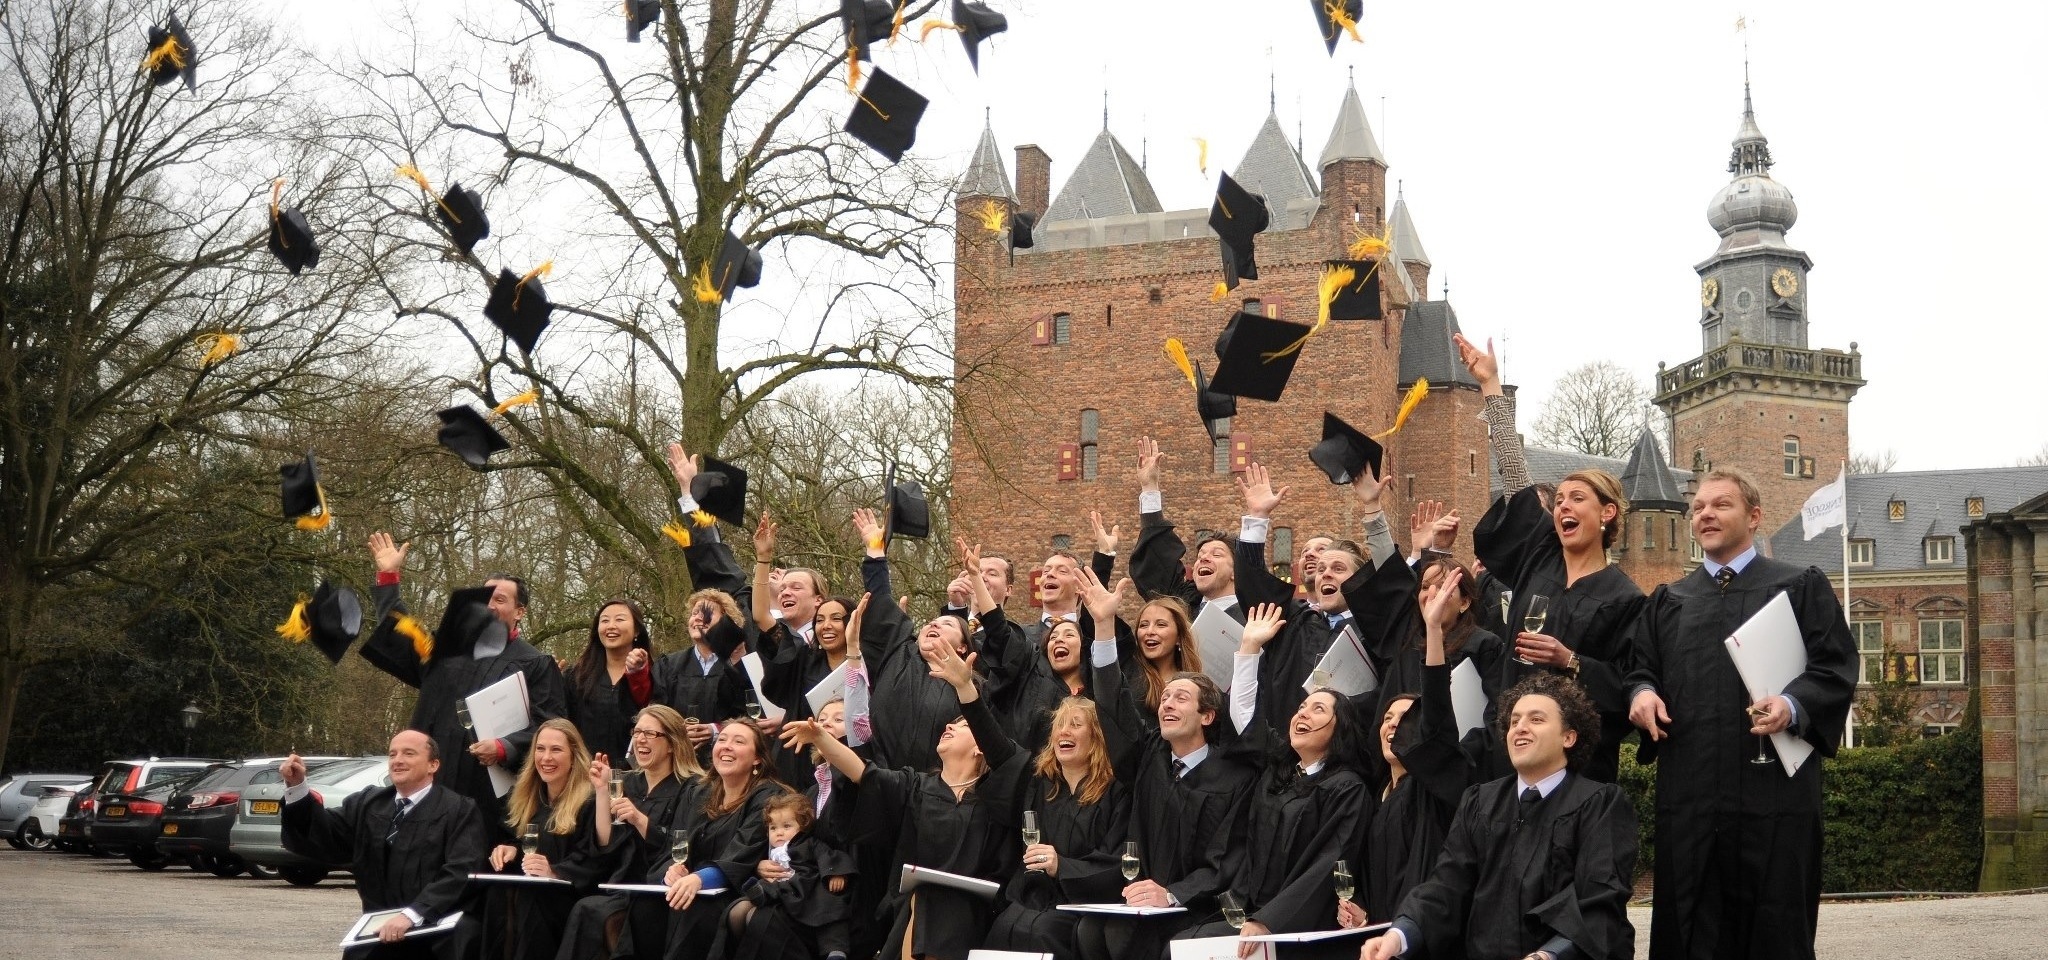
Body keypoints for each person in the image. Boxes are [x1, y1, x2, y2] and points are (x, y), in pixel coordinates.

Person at [1624, 469, 1858, 960]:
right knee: (1690, 923)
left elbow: (1835, 667)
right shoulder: (1670, 601)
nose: (1705, 513)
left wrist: (1793, 704)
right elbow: (1640, 667)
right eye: (1698, 507)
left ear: (1754, 517)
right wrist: (1642, 694)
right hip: (1690, 796)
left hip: (1775, 795)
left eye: (1721, 505)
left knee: (1774, 925)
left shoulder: (1798, 586)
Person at [1457, 333, 1647, 784]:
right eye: (1558, 499)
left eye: (1576, 498)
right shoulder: (1541, 557)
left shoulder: (1625, 598)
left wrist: (1571, 661)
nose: (1562, 507)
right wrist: (1492, 389)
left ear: (1607, 513)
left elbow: (1628, 686)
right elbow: (1517, 477)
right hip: (1511, 746)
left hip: (1578, 766)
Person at [782, 629, 1030, 960]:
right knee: (927, 898)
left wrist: (963, 686)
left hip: (981, 911)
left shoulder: (999, 793)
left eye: (964, 726)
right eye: (951, 723)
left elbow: (997, 745)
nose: (951, 726)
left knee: (942, 901)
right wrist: (822, 740)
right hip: (913, 906)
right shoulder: (916, 786)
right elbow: (862, 772)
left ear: (982, 748)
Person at [1359, 673, 1638, 960]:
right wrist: (1400, 934)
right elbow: (1447, 885)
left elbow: (1600, 900)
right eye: (1514, 721)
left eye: (1536, 720)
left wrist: (1548, 955)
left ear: (1569, 736)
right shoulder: (1480, 802)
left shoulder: (1600, 804)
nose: (1520, 728)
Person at [1175, 603, 1372, 948]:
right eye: (1301, 708)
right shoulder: (1280, 776)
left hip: (1300, 925)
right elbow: (1247, 721)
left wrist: (1270, 921)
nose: (1303, 714)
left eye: (1318, 709)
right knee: (1181, 945)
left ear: (1341, 728)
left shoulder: (1346, 789)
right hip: (1252, 913)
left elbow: (1326, 867)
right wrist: (1248, 649)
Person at [359, 533, 569, 846]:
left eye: (500, 599)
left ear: (520, 611)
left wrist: (503, 747)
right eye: (484, 598)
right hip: (430, 786)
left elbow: (550, 726)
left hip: (487, 798)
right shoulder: (443, 649)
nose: (489, 606)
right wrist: (389, 578)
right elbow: (400, 635)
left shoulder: (534, 664)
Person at [1077, 641, 1259, 960]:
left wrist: (1173, 894)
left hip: (1202, 908)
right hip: (1146, 905)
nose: (1167, 705)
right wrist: (1104, 629)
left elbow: (1228, 860)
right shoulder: (1150, 758)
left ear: (1207, 716)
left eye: (1181, 698)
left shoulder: (1235, 778)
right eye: (1164, 698)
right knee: (1089, 929)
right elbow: (1115, 707)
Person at [1346, 568, 1482, 930]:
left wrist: (1434, 631)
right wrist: (1363, 911)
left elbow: (1437, 717)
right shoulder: (1376, 797)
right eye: (1387, 718)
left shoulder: (1435, 788)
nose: (1392, 724)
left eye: (1404, 719)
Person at [280, 731, 488, 958]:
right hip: (378, 928)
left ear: (433, 765)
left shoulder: (458, 810)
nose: (398, 760)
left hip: (436, 930)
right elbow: (325, 833)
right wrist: (298, 786)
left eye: (409, 753)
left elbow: (462, 869)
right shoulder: (368, 803)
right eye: (392, 754)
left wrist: (413, 914)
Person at [1232, 461, 1399, 736]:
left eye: (1338, 569)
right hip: (1286, 753)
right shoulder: (1296, 623)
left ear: (1361, 580)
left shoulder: (1376, 630)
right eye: (1321, 570)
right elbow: (1255, 591)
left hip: (1349, 755)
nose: (1325, 575)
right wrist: (1257, 517)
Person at [984, 697, 1132, 960]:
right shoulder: (1040, 785)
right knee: (1004, 924)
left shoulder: (1116, 792)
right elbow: (998, 751)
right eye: (1060, 725)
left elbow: (1117, 862)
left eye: (1075, 725)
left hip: (1079, 906)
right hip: (1033, 899)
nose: (1064, 731)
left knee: (1043, 931)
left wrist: (1061, 865)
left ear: (1097, 737)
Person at [628, 721, 789, 960]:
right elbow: (676, 843)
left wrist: (699, 878)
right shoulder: (699, 791)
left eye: (738, 741)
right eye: (722, 739)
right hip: (691, 885)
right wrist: (672, 871)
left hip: (737, 890)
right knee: (645, 905)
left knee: (697, 910)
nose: (726, 747)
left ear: (757, 758)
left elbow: (745, 851)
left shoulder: (769, 797)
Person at [557, 706, 705, 960]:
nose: (640, 739)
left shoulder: (692, 788)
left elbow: (681, 846)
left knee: (594, 911)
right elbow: (605, 842)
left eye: (650, 733)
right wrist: (603, 791)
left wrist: (638, 818)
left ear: (671, 743)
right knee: (585, 908)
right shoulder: (628, 782)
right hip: (622, 882)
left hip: (659, 888)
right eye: (637, 732)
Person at [481, 719, 604, 960]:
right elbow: (523, 842)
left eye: (556, 750)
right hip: (536, 890)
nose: (546, 758)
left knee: (531, 898)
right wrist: (512, 850)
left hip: (570, 897)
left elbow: (596, 858)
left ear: (573, 756)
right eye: (540, 748)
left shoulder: (590, 800)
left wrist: (555, 872)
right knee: (496, 893)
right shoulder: (527, 796)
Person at [725, 791, 857, 960]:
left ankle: (835, 951)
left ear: (802, 826)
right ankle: (760, 892)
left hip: (807, 889)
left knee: (830, 913)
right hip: (782, 896)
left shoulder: (808, 844)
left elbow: (828, 855)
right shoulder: (768, 851)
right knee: (752, 902)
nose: (779, 833)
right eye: (773, 828)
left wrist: (835, 873)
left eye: (786, 826)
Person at [1126, 436, 1244, 625]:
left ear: (1235, 572)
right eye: (1200, 555)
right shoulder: (1183, 609)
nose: (1204, 558)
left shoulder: (1255, 614)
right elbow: (1158, 566)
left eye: (1217, 554)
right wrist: (1149, 488)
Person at [645, 589, 749, 764]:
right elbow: (656, 710)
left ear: (727, 621)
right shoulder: (668, 665)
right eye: (694, 614)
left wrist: (716, 730)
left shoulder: (741, 666)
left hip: (725, 763)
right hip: (676, 762)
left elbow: (750, 713)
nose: (698, 618)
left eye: (707, 613)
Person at [564, 599, 654, 766]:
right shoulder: (576, 676)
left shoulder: (655, 675)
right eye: (604, 620)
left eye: (619, 619)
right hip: (585, 773)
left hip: (636, 775)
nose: (611, 626)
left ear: (637, 631)